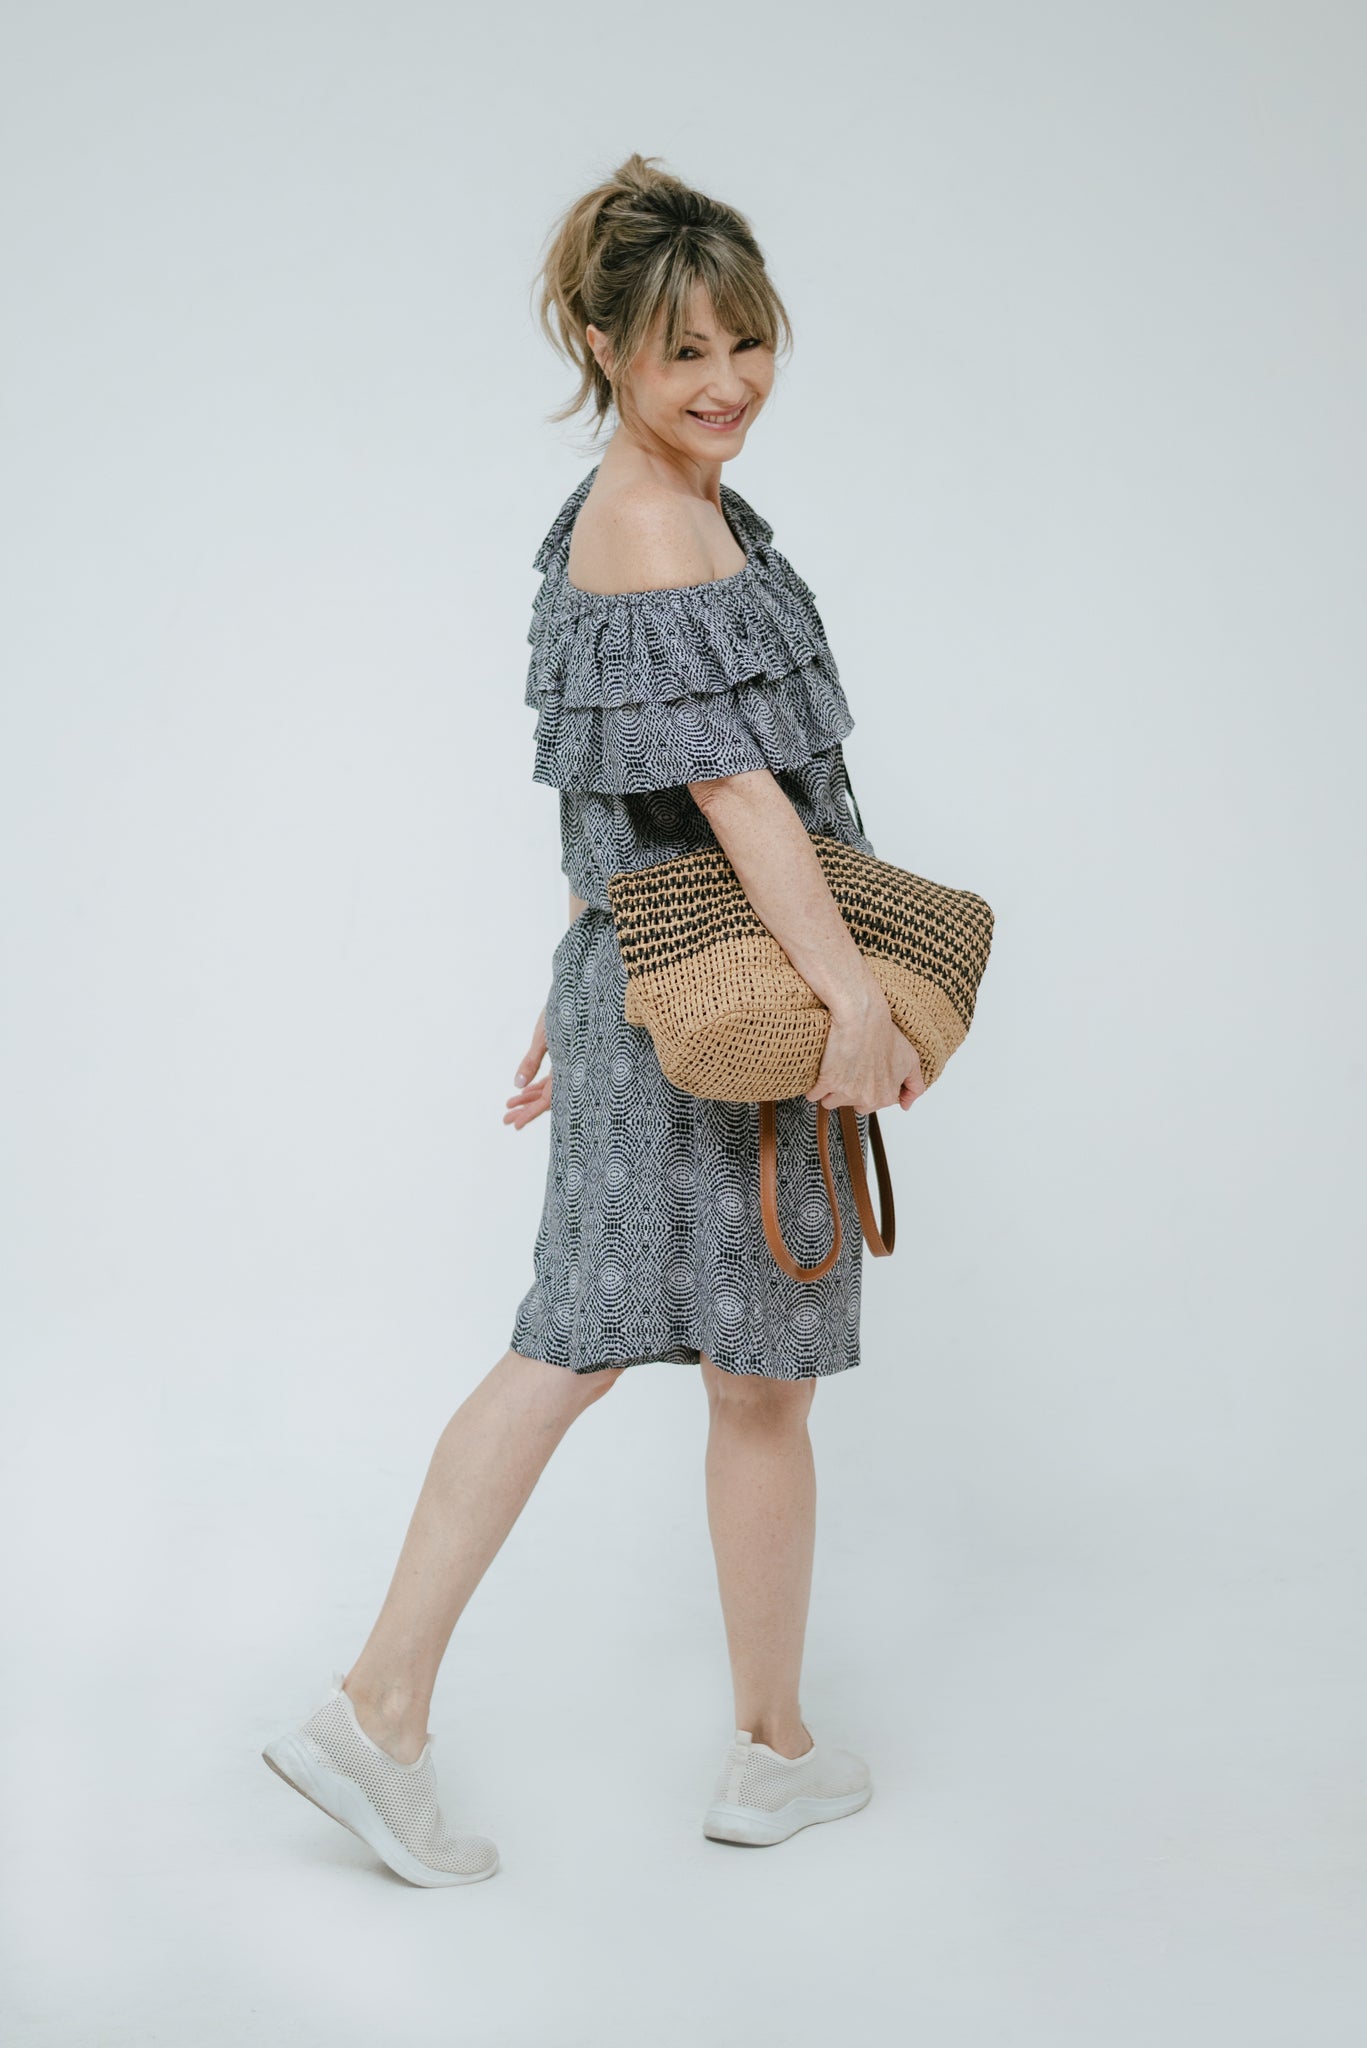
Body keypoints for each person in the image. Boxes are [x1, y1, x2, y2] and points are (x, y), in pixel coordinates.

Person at [261, 152, 924, 1887]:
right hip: (737, 1001)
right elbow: (735, 793)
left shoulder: (653, 505)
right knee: (632, 1357)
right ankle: (392, 1711)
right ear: (603, 346)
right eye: (684, 349)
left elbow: (618, 791)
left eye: (748, 341)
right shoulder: (651, 518)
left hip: (679, 991)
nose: (727, 381)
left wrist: (581, 969)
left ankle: (753, 1746)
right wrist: (856, 998)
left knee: (699, 1365)